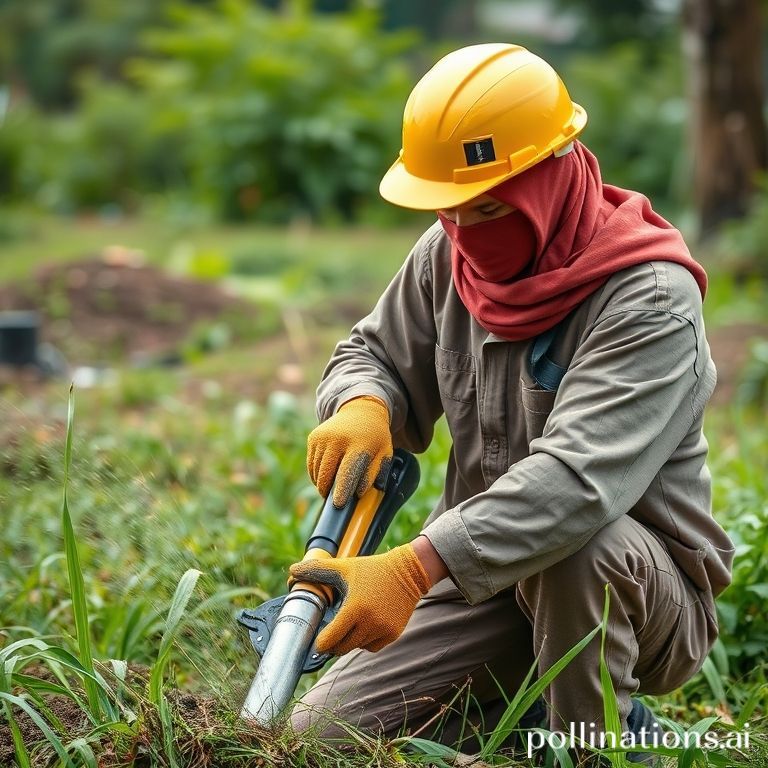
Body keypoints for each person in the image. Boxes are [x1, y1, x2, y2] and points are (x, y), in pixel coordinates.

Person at [288, 43, 735, 764]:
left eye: (488, 207)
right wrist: (362, 403)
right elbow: (372, 353)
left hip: (634, 592)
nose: (463, 231)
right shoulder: (448, 253)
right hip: (483, 582)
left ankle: (603, 745)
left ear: (551, 176)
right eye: (449, 210)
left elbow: (572, 486)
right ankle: (530, 718)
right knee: (317, 739)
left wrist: (411, 569)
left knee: (581, 547)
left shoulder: (650, 299)